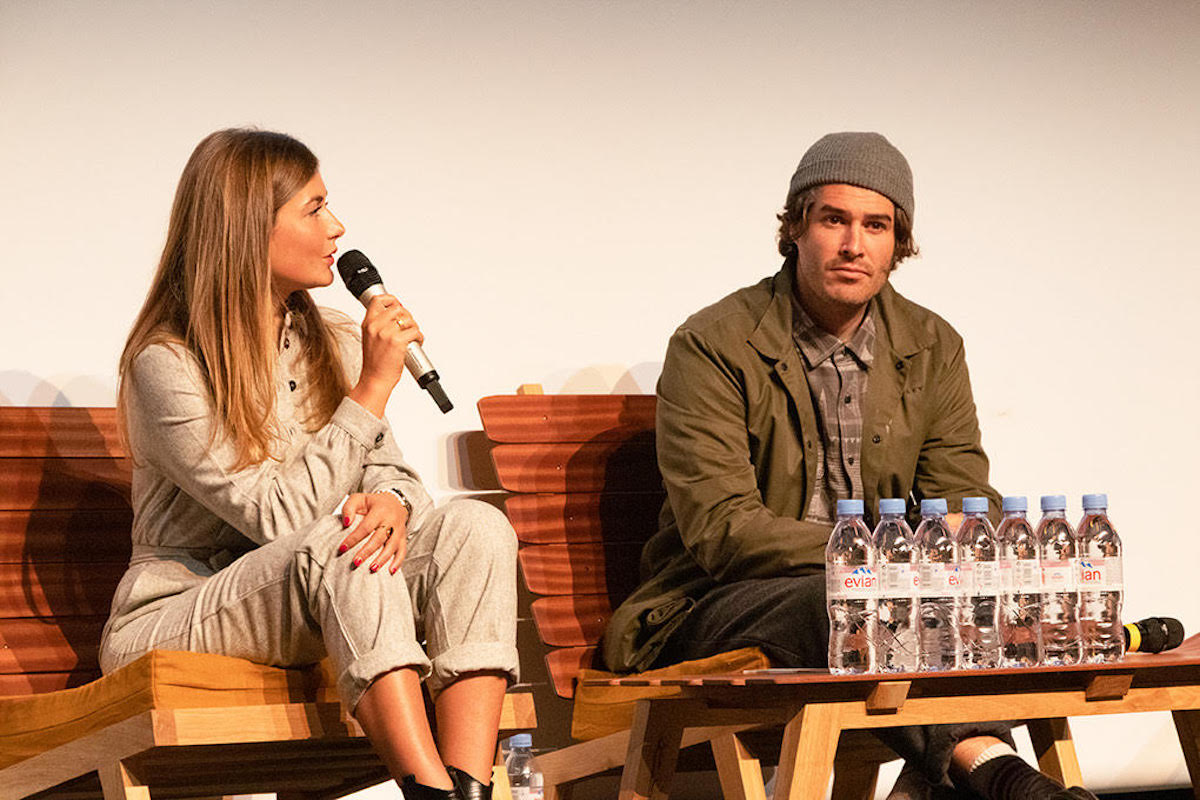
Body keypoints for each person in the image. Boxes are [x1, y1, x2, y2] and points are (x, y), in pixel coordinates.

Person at [602, 132, 1095, 800]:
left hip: (893, 600)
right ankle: (999, 772)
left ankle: (972, 777)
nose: (854, 244)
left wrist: (950, 558)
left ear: (900, 243)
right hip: (721, 601)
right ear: (796, 228)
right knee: (847, 600)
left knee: (997, 602)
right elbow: (723, 531)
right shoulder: (713, 343)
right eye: (834, 219)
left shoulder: (930, 344)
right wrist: (875, 560)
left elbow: (960, 497)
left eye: (877, 225)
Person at [100, 128, 517, 800]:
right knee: (342, 547)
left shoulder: (335, 339)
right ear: (247, 229)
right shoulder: (168, 363)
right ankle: (430, 793)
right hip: (178, 609)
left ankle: (469, 788)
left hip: (306, 585)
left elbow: (395, 475)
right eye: (314, 208)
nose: (338, 227)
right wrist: (373, 388)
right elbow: (277, 517)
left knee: (473, 528)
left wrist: (394, 503)